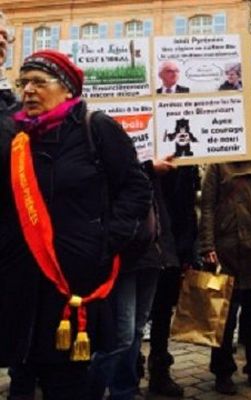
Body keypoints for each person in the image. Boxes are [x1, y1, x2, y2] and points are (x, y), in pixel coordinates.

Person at [0, 50, 152, 399]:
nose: (29, 91)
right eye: (24, 84)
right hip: (25, 280)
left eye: (40, 83)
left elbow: (135, 187)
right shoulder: (19, 139)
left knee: (68, 382)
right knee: (23, 370)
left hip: (74, 281)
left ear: (68, 89)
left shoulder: (96, 128)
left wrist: (106, 240)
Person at [199, 132, 251, 395]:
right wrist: (208, 245)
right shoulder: (217, 164)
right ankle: (222, 371)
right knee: (224, 315)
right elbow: (207, 206)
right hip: (225, 250)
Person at [89, 156, 176, 400]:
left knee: (136, 329)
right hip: (127, 256)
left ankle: (124, 391)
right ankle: (88, 390)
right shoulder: (107, 147)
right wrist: (149, 168)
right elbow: (112, 177)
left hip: (153, 252)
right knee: (123, 333)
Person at [147, 163, 200, 397]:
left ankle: (159, 370)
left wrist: (188, 249)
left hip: (174, 243)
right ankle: (131, 368)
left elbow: (187, 204)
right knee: (136, 315)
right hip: (144, 241)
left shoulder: (185, 164)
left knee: (162, 311)